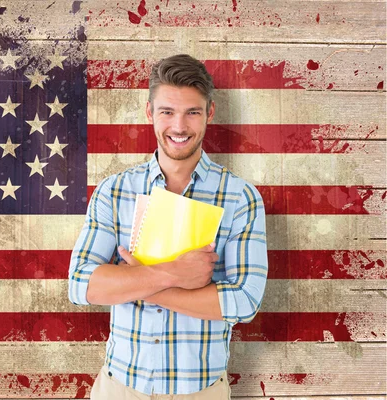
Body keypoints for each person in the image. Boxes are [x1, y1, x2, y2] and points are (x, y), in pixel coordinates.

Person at [68, 54, 268, 399]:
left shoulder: (240, 198)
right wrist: (176, 272)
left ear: (210, 113)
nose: (179, 126)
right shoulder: (114, 191)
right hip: (120, 388)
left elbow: (244, 301)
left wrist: (135, 281)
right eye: (167, 112)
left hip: (200, 391)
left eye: (192, 112)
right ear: (149, 113)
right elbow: (82, 285)